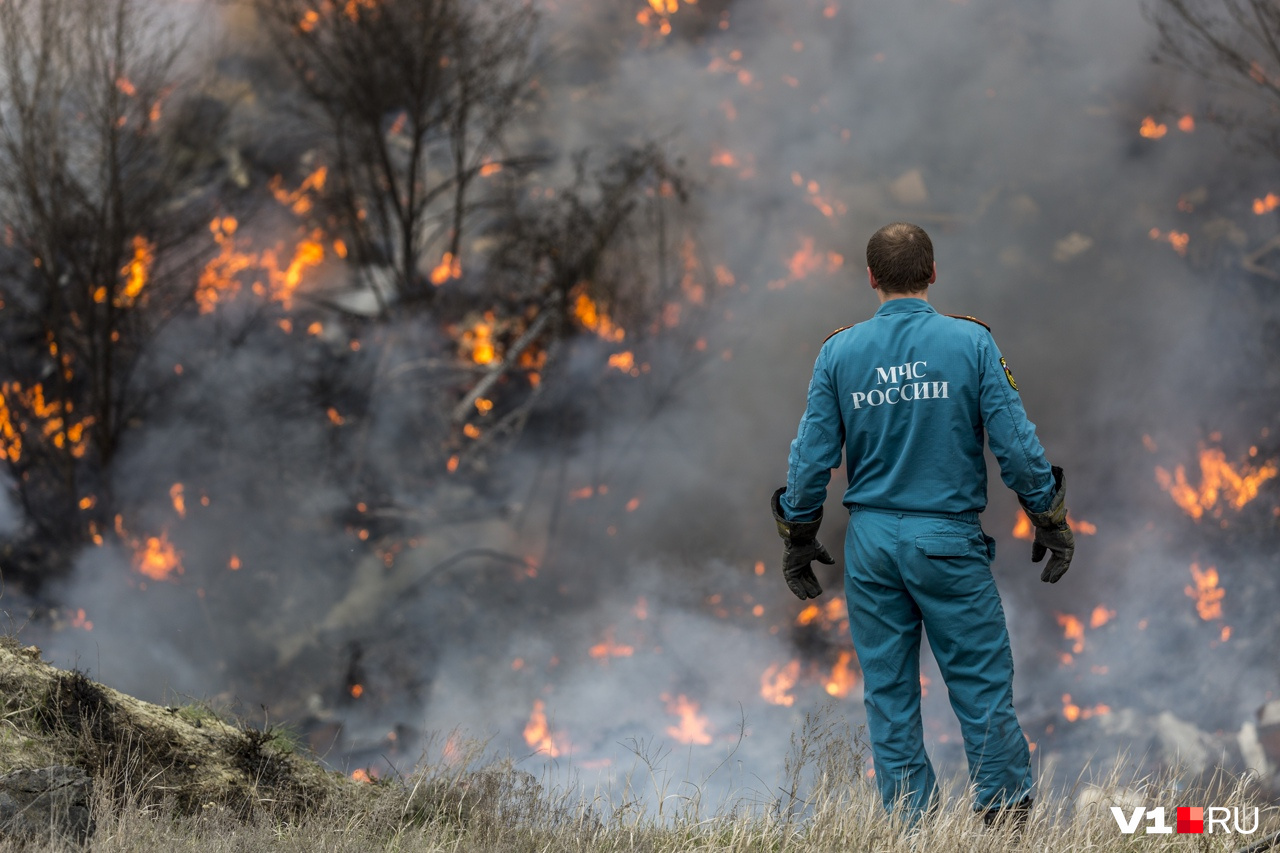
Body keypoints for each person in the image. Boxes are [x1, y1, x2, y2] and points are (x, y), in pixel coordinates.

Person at [770, 222, 1075, 826]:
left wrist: (799, 536)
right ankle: (1005, 825)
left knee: (888, 695)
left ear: (871, 278)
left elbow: (811, 459)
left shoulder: (839, 352)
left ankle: (914, 831)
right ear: (933, 274)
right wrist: (1049, 518)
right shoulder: (972, 344)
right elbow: (1014, 445)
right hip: (946, 541)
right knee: (982, 686)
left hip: (873, 546)